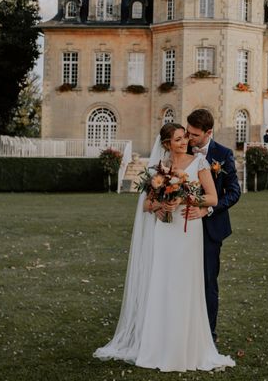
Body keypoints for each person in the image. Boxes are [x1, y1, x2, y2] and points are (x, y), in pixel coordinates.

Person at [93, 123, 235, 372]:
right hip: (165, 232)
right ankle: (157, 344)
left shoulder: (199, 162)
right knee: (162, 282)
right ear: (167, 143)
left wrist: (185, 198)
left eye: (185, 138)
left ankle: (186, 346)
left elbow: (212, 197)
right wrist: (160, 207)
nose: (184, 142)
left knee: (185, 285)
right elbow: (147, 205)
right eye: (179, 139)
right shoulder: (158, 167)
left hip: (188, 230)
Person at [184, 109, 241, 343]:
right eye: (187, 133)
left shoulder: (223, 154)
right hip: (183, 227)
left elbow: (234, 192)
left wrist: (208, 208)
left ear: (208, 133)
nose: (189, 139)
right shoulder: (181, 150)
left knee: (208, 282)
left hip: (210, 229)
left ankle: (209, 334)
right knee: (182, 279)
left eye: (194, 135)